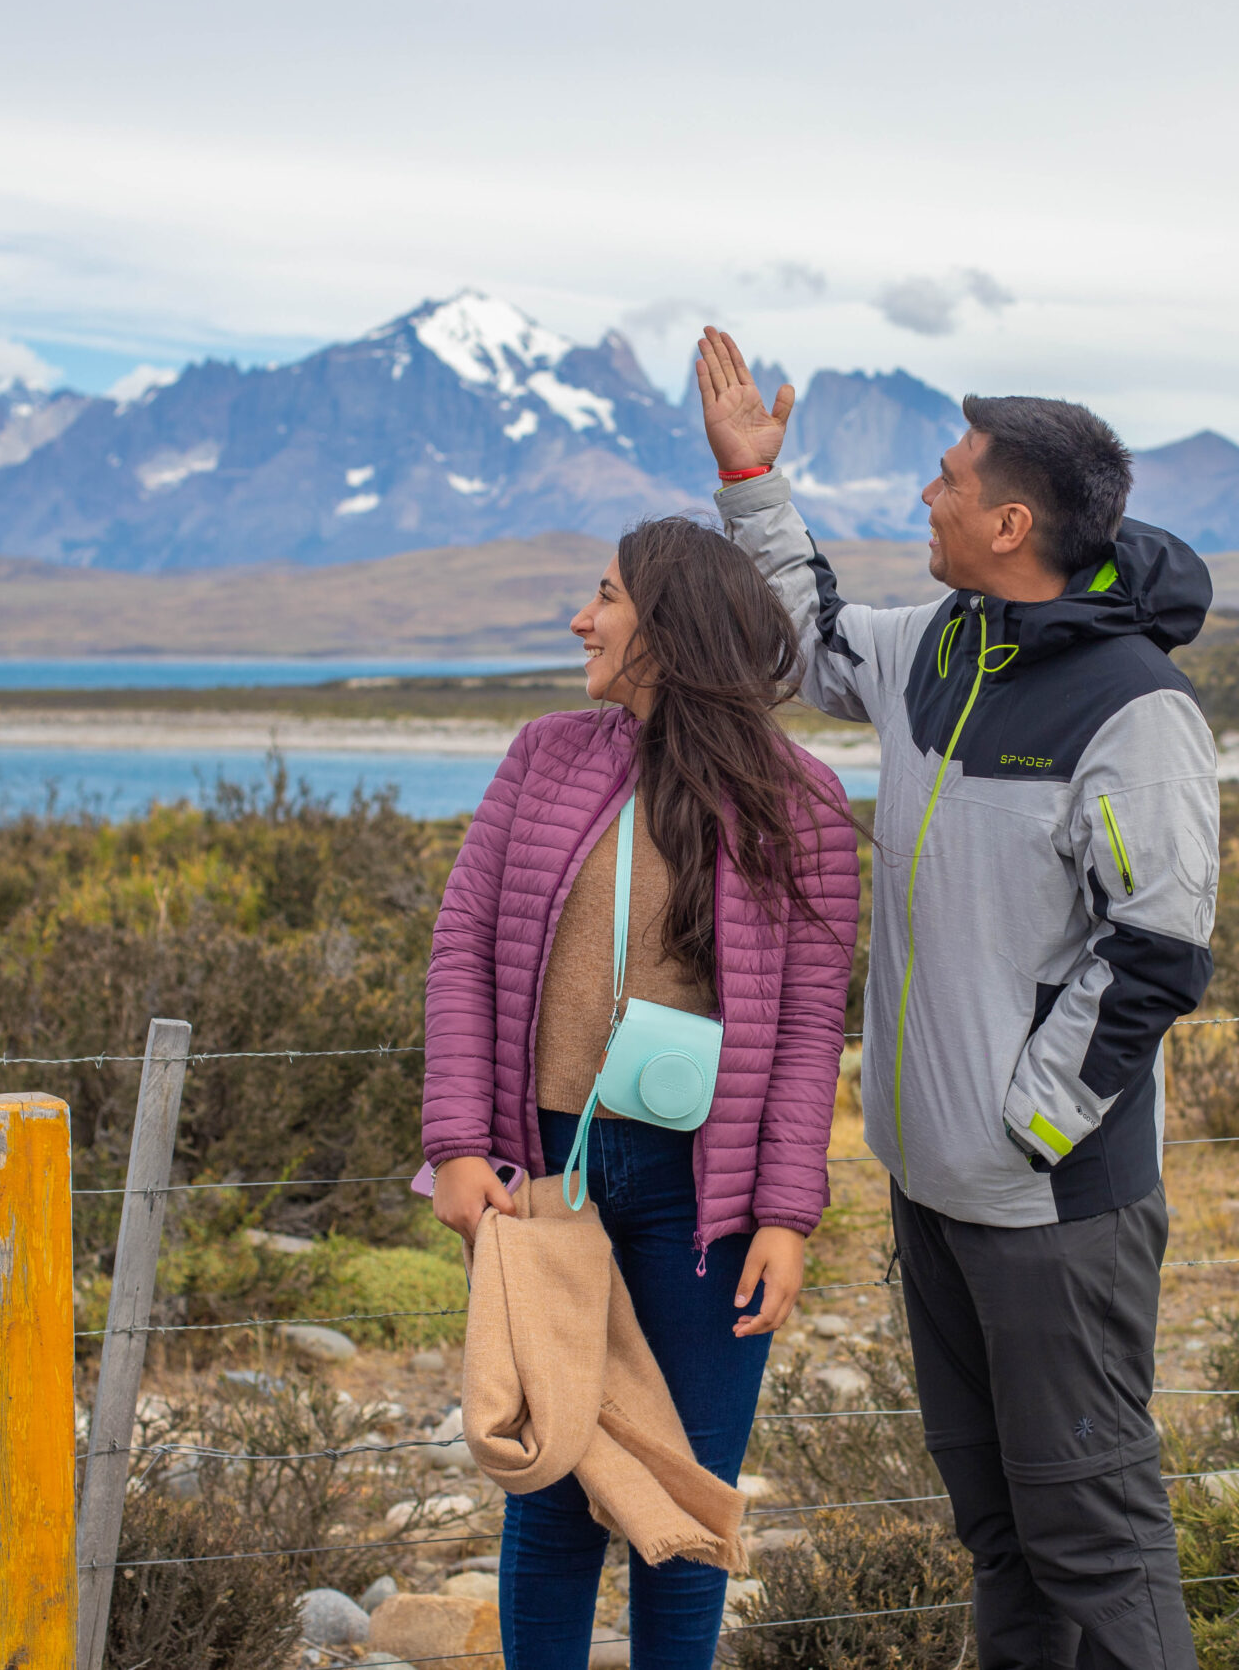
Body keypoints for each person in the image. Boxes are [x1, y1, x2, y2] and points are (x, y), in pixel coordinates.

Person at [695, 329, 1218, 1670]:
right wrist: (753, 476)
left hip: (1050, 1203)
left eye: (943, 478)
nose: (921, 498)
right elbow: (798, 645)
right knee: (1003, 1532)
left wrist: (1022, 1123)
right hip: (935, 1191)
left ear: (1010, 517)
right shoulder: (942, 643)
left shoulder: (1136, 708)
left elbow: (1159, 949)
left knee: (1091, 1530)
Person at [420, 516, 862, 1670]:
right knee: (553, 1478)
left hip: (700, 1195)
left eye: (606, 596)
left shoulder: (801, 803)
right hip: (546, 1177)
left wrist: (785, 1214)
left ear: (670, 631)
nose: (583, 617)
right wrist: (460, 1143)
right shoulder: (545, 755)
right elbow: (464, 945)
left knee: (686, 1487)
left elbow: (813, 1026)